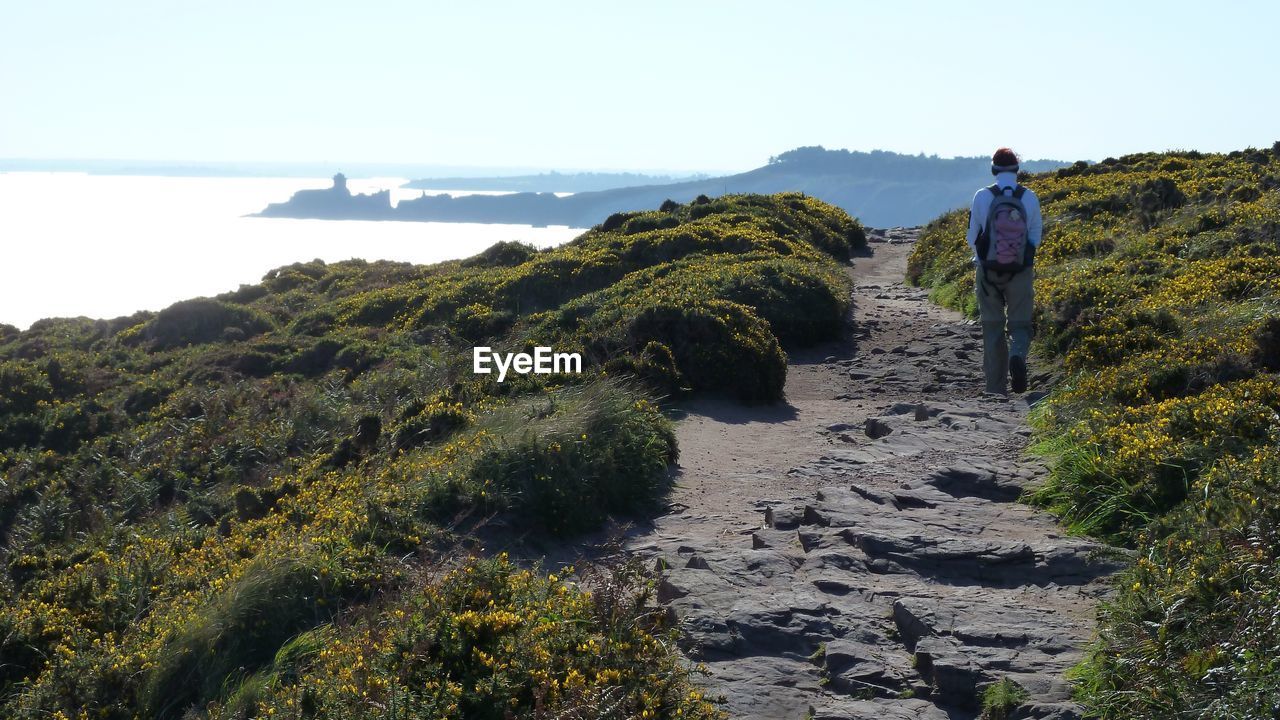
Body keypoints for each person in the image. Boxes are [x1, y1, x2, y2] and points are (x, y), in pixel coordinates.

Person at [966, 148, 1042, 394]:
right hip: (1020, 271)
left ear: (993, 169)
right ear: (1017, 169)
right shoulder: (1029, 197)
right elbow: (1035, 237)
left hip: (987, 272)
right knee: (1020, 324)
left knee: (992, 327)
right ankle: (1017, 355)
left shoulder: (981, 196)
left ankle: (996, 388)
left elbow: (971, 237)